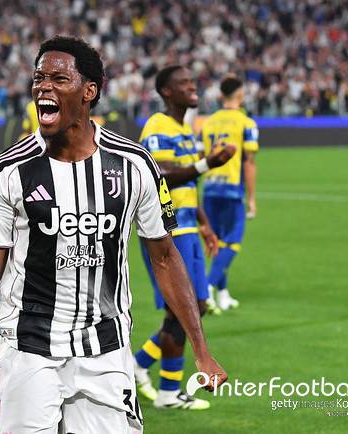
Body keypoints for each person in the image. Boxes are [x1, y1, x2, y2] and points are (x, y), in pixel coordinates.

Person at [0, 37, 227, 433]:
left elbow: (165, 257)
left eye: (58, 79)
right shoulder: (9, 171)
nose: (43, 87)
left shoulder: (134, 165)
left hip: (105, 350)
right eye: (39, 78)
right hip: (28, 349)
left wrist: (202, 352)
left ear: (89, 91)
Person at [133, 65, 235, 409]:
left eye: (193, 82)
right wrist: (207, 164)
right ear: (166, 91)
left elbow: (189, 180)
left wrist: (205, 224)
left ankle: (139, 364)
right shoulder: (157, 126)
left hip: (190, 225)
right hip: (168, 229)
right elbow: (157, 175)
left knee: (197, 306)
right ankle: (168, 392)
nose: (193, 87)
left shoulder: (186, 130)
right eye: (184, 83)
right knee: (180, 310)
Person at [200, 76, 259, 311]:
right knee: (233, 241)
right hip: (232, 190)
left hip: (210, 188)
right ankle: (207, 288)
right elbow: (249, 162)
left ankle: (222, 294)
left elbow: (200, 156)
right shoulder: (246, 123)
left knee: (218, 242)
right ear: (240, 95)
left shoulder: (208, 122)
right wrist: (252, 199)